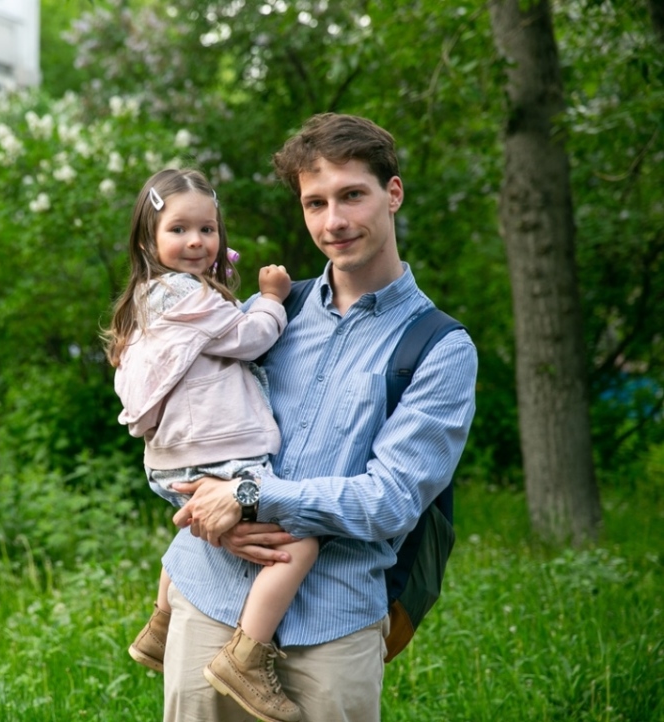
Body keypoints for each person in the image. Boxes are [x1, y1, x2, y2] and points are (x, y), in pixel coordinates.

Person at [158, 113, 479, 721]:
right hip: (210, 597)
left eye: (352, 195)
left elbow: (390, 499)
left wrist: (250, 496)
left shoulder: (439, 348)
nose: (333, 222)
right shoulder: (269, 315)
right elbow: (186, 426)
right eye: (315, 203)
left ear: (393, 193)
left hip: (332, 624)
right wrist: (214, 515)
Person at [105, 168, 319, 722]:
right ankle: (245, 657)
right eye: (179, 230)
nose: (196, 242)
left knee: (202, 530)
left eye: (207, 229)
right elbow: (249, 339)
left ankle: (160, 625)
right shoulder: (186, 294)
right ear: (150, 239)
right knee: (298, 541)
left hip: (171, 460)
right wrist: (270, 299)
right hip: (219, 453)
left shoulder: (149, 299)